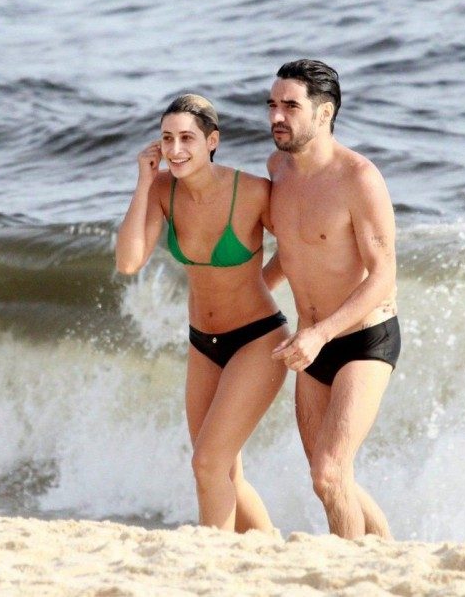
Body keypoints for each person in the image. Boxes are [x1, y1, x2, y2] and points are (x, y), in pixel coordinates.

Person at [115, 93, 288, 533]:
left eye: (187, 138)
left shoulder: (250, 192)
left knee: (207, 463)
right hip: (203, 344)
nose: (175, 150)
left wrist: (258, 287)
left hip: (258, 338)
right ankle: (267, 556)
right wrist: (142, 181)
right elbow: (128, 261)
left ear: (213, 141)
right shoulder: (162, 192)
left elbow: (297, 248)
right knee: (224, 472)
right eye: (167, 138)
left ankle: (215, 562)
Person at [263, 59, 400, 539]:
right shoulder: (277, 168)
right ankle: (389, 558)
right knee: (331, 481)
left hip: (363, 338)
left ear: (324, 114)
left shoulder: (358, 178)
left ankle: (350, 579)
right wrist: (252, 294)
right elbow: (294, 249)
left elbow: (384, 274)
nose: (277, 116)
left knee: (329, 472)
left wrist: (322, 332)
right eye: (273, 105)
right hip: (310, 342)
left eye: (291, 106)